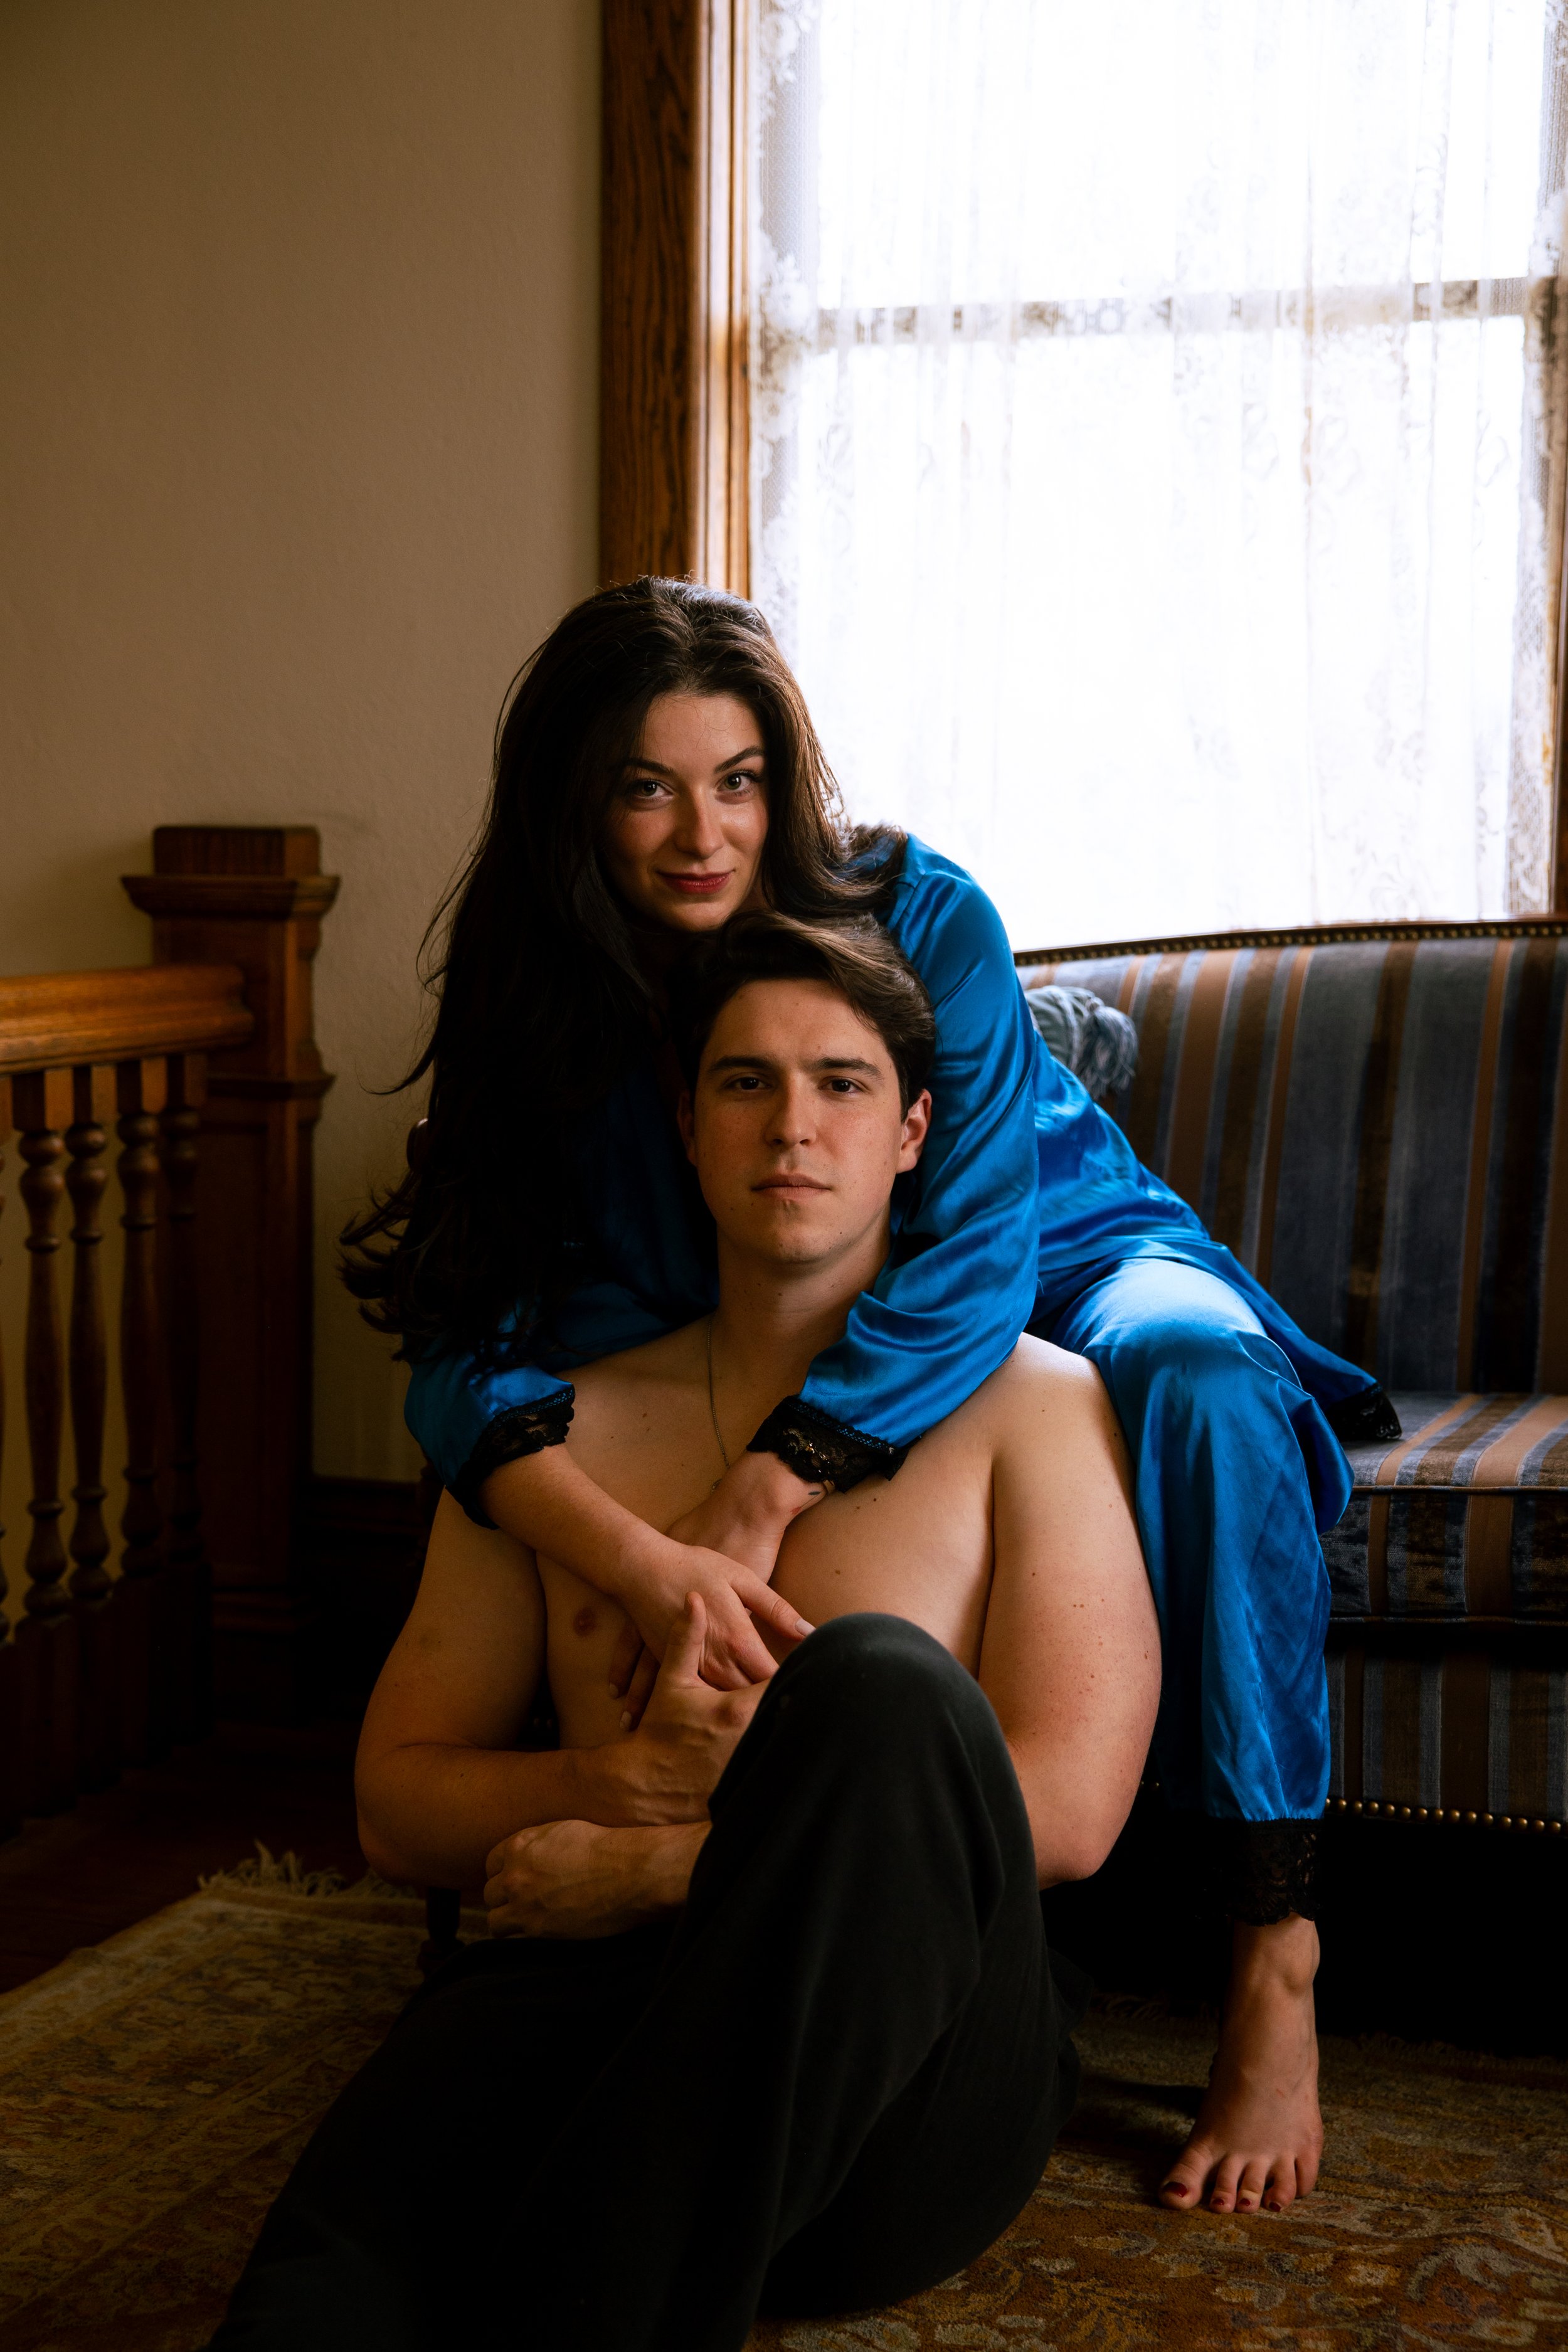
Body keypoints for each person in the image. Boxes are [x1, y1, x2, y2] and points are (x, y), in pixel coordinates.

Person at [343, 577, 1382, 2210]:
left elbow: (970, 1256)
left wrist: (752, 1497)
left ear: (787, 774)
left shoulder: (924, 903)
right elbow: (463, 1328)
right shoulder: (537, 979)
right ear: (576, 798)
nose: (703, 831)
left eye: (739, 777)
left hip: (1035, 1228)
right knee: (568, 1384)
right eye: (644, 783)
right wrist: (638, 1552)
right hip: (752, 1249)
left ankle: (1273, 1952)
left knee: (1193, 1375)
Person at [212, 918, 1162, 2352]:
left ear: (912, 1132)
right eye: (744, 1083)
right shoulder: (555, 1437)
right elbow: (395, 1804)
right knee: (346, 2244)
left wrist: (665, 1872)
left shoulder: (1036, 1408)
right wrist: (607, 1791)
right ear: (685, 1120)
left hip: (908, 2096)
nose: (793, 1125)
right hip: (593, 2021)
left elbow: (1075, 1818)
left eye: (841, 1085)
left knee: (878, 1684)